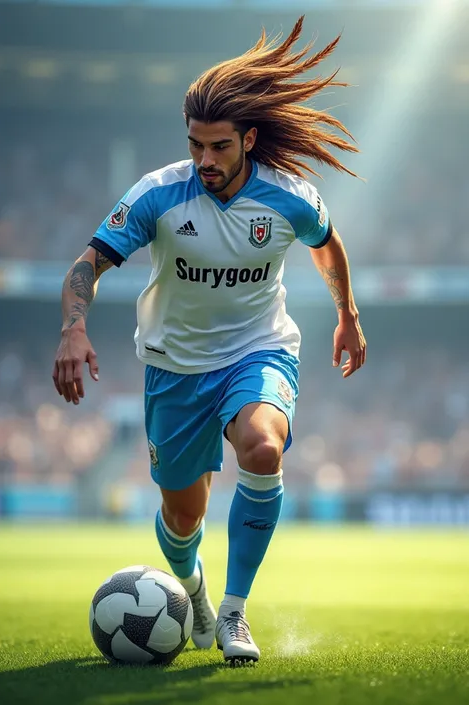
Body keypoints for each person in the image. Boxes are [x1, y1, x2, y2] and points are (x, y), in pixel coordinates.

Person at [53, 16, 366, 666]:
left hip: (259, 349)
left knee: (262, 444)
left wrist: (348, 313)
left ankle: (232, 610)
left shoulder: (289, 199)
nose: (205, 160)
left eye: (220, 146)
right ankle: (190, 587)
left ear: (249, 139)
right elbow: (88, 262)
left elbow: (327, 242)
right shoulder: (159, 196)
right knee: (183, 517)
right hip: (175, 368)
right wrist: (73, 326)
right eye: (196, 144)